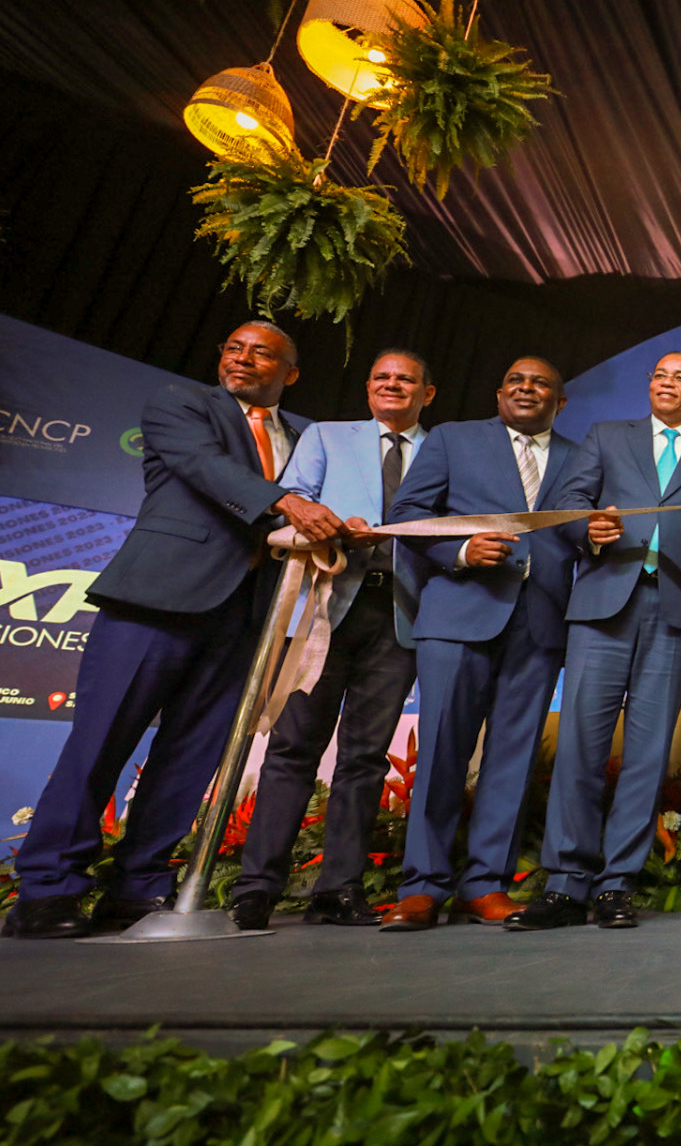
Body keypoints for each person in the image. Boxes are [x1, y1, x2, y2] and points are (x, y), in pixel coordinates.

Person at [4, 321, 344, 939]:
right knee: (99, 745)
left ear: (291, 373)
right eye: (233, 348)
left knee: (191, 757)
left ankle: (137, 888)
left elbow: (319, 506)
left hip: (247, 616)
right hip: (154, 600)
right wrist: (287, 502)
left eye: (261, 353)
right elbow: (204, 466)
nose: (243, 359)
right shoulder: (181, 405)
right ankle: (47, 890)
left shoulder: (305, 439)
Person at [510, 352, 681, 931]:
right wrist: (588, 528)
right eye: (660, 375)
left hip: (678, 609)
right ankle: (564, 884)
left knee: (648, 753)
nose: (667, 383)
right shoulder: (608, 436)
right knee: (580, 744)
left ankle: (617, 885)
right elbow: (569, 506)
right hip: (603, 604)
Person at [230, 349, 437, 931]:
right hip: (322, 607)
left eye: (405, 379)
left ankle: (339, 890)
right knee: (292, 748)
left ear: (427, 393)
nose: (391, 385)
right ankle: (257, 889)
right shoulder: (325, 435)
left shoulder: (444, 450)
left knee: (365, 758)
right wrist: (326, 525)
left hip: (400, 615)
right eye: (381, 377)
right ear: (368, 388)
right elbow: (284, 511)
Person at [379, 357, 579, 931]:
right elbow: (407, 515)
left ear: (560, 402)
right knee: (441, 750)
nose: (526, 388)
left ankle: (486, 885)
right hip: (458, 616)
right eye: (515, 380)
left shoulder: (580, 456)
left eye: (540, 382)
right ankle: (422, 886)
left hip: (540, 623)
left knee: (513, 760)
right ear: (498, 393)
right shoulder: (452, 439)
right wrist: (461, 551)